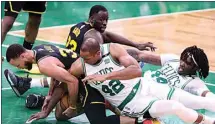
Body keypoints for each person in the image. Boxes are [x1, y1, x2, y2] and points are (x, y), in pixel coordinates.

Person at [6, 43, 170, 124]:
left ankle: (143, 120)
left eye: (18, 64)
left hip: (87, 82)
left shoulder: (43, 65)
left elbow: (72, 82)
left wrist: (73, 105)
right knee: (59, 116)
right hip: (86, 74)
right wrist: (49, 97)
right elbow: (59, 75)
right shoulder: (42, 48)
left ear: (21, 56)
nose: (21, 67)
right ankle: (107, 104)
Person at [4, 5, 155, 97]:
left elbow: (108, 35)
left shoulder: (81, 25)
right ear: (91, 19)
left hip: (68, 61)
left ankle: (28, 83)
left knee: (131, 53)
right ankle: (38, 94)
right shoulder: (93, 36)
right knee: (74, 81)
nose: (104, 23)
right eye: (101, 20)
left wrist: (136, 44)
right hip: (77, 67)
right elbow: (98, 60)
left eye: (106, 20)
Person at [68, 38, 215, 124]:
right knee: (176, 107)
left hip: (146, 85)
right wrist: (69, 103)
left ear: (98, 53)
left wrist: (105, 76)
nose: (83, 61)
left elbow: (136, 70)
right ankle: (211, 123)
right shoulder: (79, 66)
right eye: (82, 57)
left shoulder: (112, 49)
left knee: (199, 101)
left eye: (86, 58)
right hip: (132, 103)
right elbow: (66, 78)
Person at [126, 45, 215, 99]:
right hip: (138, 84)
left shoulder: (195, 83)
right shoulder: (173, 59)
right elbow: (139, 55)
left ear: (196, 68)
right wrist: (117, 51)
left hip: (149, 97)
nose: (182, 63)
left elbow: (207, 95)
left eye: (187, 62)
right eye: (182, 58)